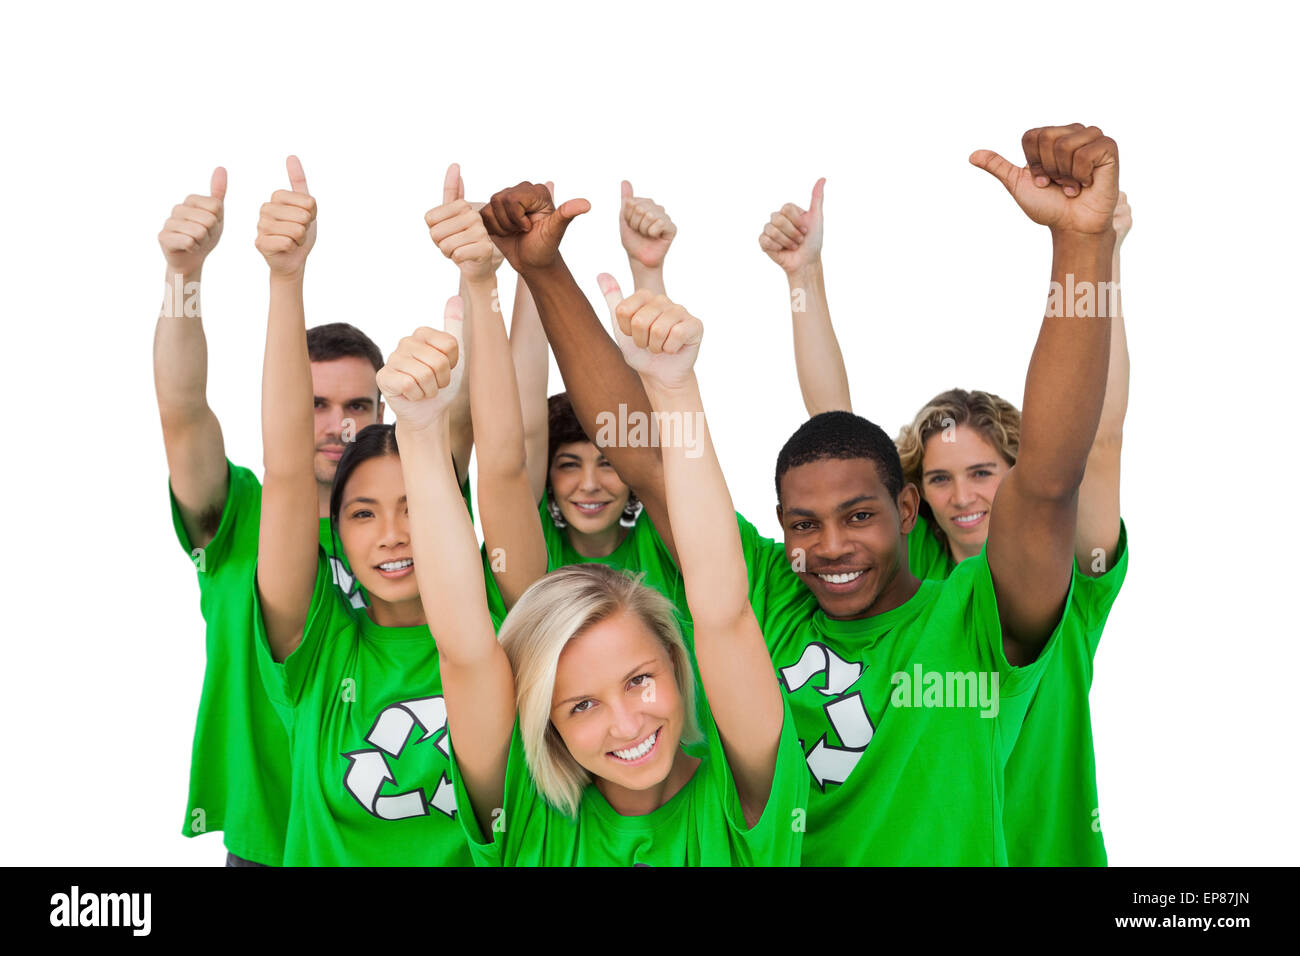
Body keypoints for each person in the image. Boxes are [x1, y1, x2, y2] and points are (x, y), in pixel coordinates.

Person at [481, 122, 1122, 864]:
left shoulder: (972, 618)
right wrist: (545, 271)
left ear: (906, 512)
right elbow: (647, 461)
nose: (831, 545)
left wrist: (1081, 246)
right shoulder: (769, 597)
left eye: (857, 517)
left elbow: (1046, 481)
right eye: (804, 525)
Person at [766, 176, 1133, 865]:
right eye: (940, 477)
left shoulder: (1070, 585)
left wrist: (1102, 255)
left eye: (982, 473)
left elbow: (1098, 442)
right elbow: (833, 435)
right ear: (915, 499)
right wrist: (803, 277)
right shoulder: (919, 584)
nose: (962, 495)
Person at [386, 271, 807, 866]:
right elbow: (463, 651)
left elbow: (724, 611)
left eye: (640, 679)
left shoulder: (744, 799)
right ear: (547, 723)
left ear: (675, 655)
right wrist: (420, 434)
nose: (627, 723)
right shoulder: (527, 814)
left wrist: (676, 391)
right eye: (582, 706)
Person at [154, 163, 440, 866]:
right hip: (268, 830)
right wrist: (183, 275)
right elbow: (182, 411)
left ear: (383, 415)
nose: (337, 425)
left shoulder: (422, 528)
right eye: (314, 404)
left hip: (383, 835)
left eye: (356, 407)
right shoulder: (241, 512)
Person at [250, 160, 494, 865]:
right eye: (361, 514)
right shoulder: (321, 642)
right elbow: (288, 469)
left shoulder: (498, 629)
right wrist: (285, 278)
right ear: (338, 533)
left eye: (414, 506)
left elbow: (492, 444)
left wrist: (478, 279)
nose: (392, 534)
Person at [482, 184, 687, 623]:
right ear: (548, 475)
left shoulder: (664, 540)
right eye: (569, 464)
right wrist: (528, 271)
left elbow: (653, 435)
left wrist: (647, 273)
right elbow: (524, 429)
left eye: (608, 463)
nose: (589, 484)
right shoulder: (529, 539)